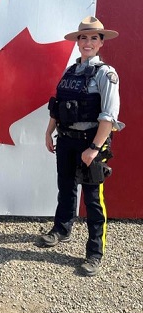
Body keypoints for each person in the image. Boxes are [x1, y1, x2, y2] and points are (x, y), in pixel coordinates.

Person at [41, 16, 124, 276]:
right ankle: (62, 229)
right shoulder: (70, 72)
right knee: (65, 188)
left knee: (93, 199)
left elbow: (109, 117)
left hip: (90, 144)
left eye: (93, 38)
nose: (87, 42)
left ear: (101, 43)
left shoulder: (106, 74)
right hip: (65, 140)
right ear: (78, 42)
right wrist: (49, 132)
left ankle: (94, 252)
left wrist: (95, 148)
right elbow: (58, 105)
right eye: (83, 37)